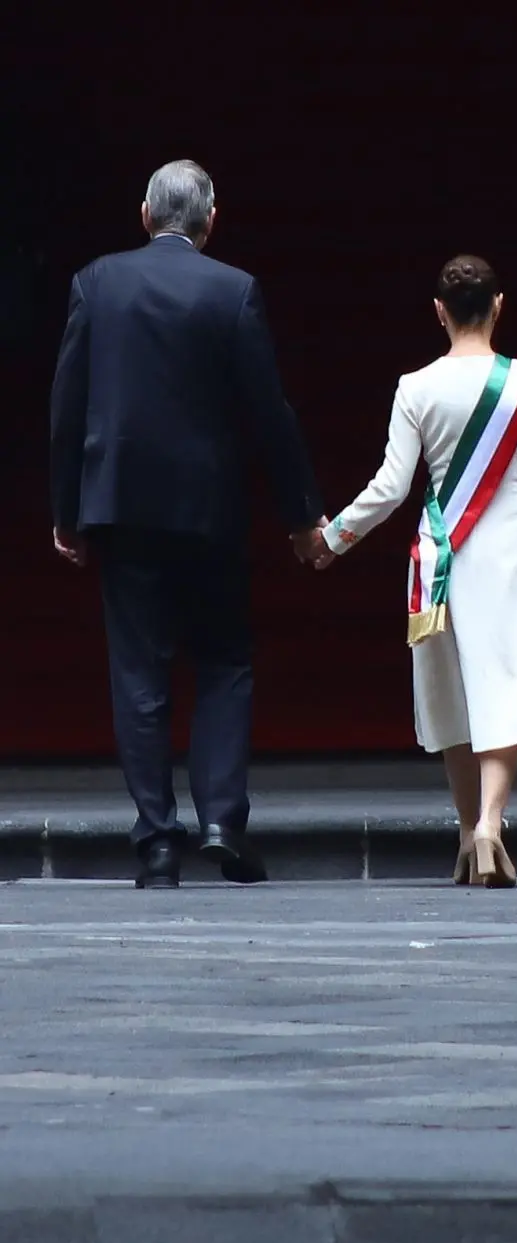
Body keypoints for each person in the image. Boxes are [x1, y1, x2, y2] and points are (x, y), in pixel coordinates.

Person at [49, 159, 329, 890]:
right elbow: (271, 413)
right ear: (210, 219)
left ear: (145, 213)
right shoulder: (233, 291)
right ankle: (220, 821)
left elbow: (66, 407)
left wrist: (65, 511)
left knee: (138, 673)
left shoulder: (95, 283)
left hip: (120, 506)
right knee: (225, 662)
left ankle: (158, 844)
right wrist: (302, 514)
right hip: (208, 511)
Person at [317, 255, 517, 887]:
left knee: (452, 700)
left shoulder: (415, 386)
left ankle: (465, 828)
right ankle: (489, 829)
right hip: (516, 553)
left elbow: (392, 488)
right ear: (498, 305)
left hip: (443, 557)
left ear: (439, 312)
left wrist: (334, 536)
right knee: (505, 689)